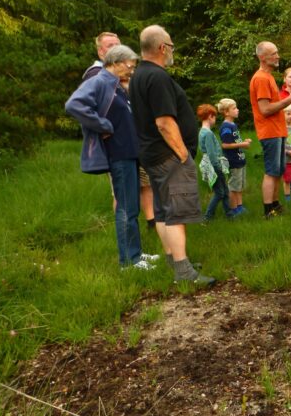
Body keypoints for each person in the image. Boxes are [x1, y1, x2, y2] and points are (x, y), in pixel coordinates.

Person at [129, 25, 215, 285]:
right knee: (176, 212)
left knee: (164, 211)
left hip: (152, 155)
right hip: (168, 156)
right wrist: (182, 155)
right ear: (162, 48)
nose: (172, 52)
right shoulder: (157, 77)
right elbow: (164, 122)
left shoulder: (138, 76)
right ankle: (184, 273)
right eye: (171, 46)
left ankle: (175, 260)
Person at [65, 45, 159, 271]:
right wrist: (102, 125)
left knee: (132, 207)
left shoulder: (117, 85)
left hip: (130, 152)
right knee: (126, 208)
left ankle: (135, 253)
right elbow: (73, 105)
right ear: (115, 63)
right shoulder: (99, 81)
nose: (132, 71)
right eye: (130, 66)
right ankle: (128, 262)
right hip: (118, 153)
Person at [250, 41, 291, 219]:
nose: (278, 56)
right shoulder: (261, 78)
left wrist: (290, 98)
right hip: (269, 131)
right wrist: (290, 100)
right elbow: (265, 109)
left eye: (277, 52)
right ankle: (268, 210)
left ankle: (275, 204)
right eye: (273, 53)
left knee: (278, 170)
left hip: (278, 130)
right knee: (271, 171)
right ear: (262, 57)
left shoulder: (268, 76)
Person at [197, 104, 239, 222]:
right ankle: (207, 218)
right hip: (214, 166)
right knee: (220, 193)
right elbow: (211, 154)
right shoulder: (208, 133)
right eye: (214, 117)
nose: (215, 120)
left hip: (211, 164)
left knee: (224, 191)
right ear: (210, 116)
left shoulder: (201, 131)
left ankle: (229, 215)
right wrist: (218, 168)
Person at [217, 98, 251, 215]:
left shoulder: (233, 125)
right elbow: (225, 145)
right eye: (234, 108)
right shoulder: (226, 127)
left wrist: (243, 141)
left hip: (240, 160)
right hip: (233, 162)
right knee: (233, 187)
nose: (237, 110)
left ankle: (239, 206)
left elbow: (235, 141)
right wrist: (243, 144)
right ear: (226, 112)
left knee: (239, 186)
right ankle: (233, 210)